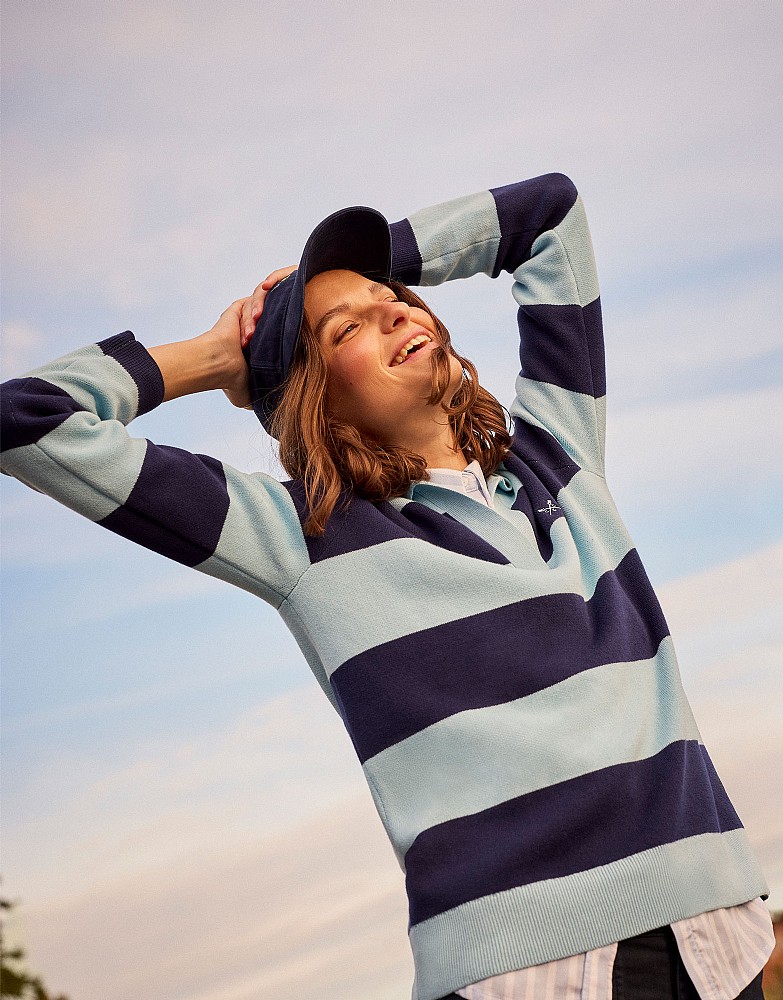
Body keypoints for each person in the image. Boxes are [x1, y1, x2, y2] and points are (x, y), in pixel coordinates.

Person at [1, 173, 775, 1000]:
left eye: (392, 298)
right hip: (528, 973)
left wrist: (375, 258)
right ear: (313, 397)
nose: (394, 311)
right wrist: (216, 356)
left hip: (716, 934)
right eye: (347, 328)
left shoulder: (560, 461)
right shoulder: (300, 536)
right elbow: (27, 420)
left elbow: (548, 215)